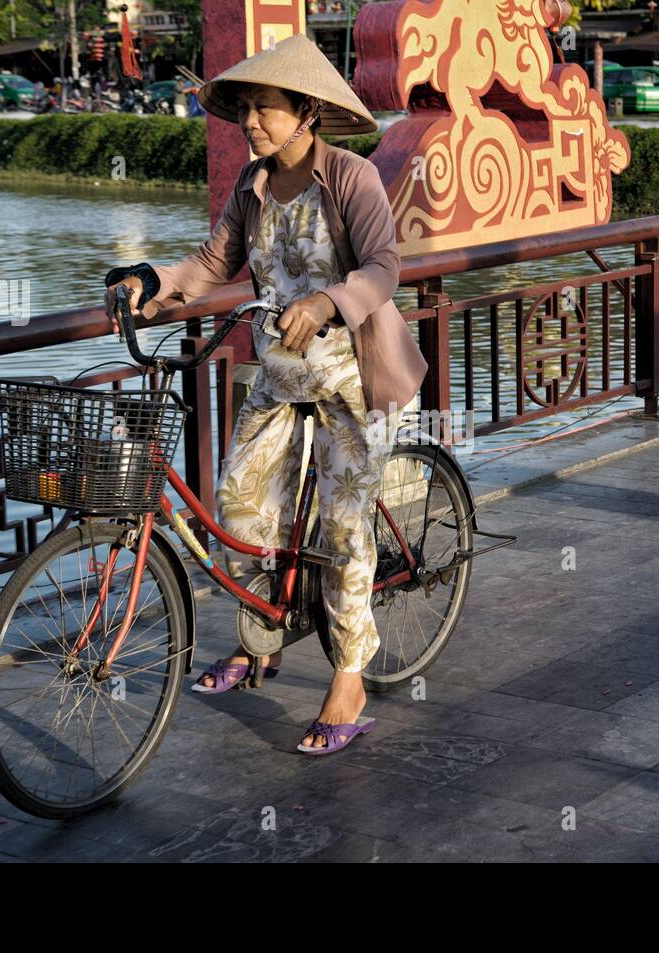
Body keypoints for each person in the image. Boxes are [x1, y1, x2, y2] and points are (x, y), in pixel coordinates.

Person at [103, 34, 426, 754]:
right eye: (245, 109)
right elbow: (210, 265)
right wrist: (150, 283)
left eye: (266, 108)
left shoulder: (350, 178)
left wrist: (328, 302)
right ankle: (262, 640)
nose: (251, 122)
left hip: (352, 377)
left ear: (307, 109)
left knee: (344, 527)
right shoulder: (251, 190)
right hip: (281, 376)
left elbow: (384, 266)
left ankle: (349, 675)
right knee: (241, 507)